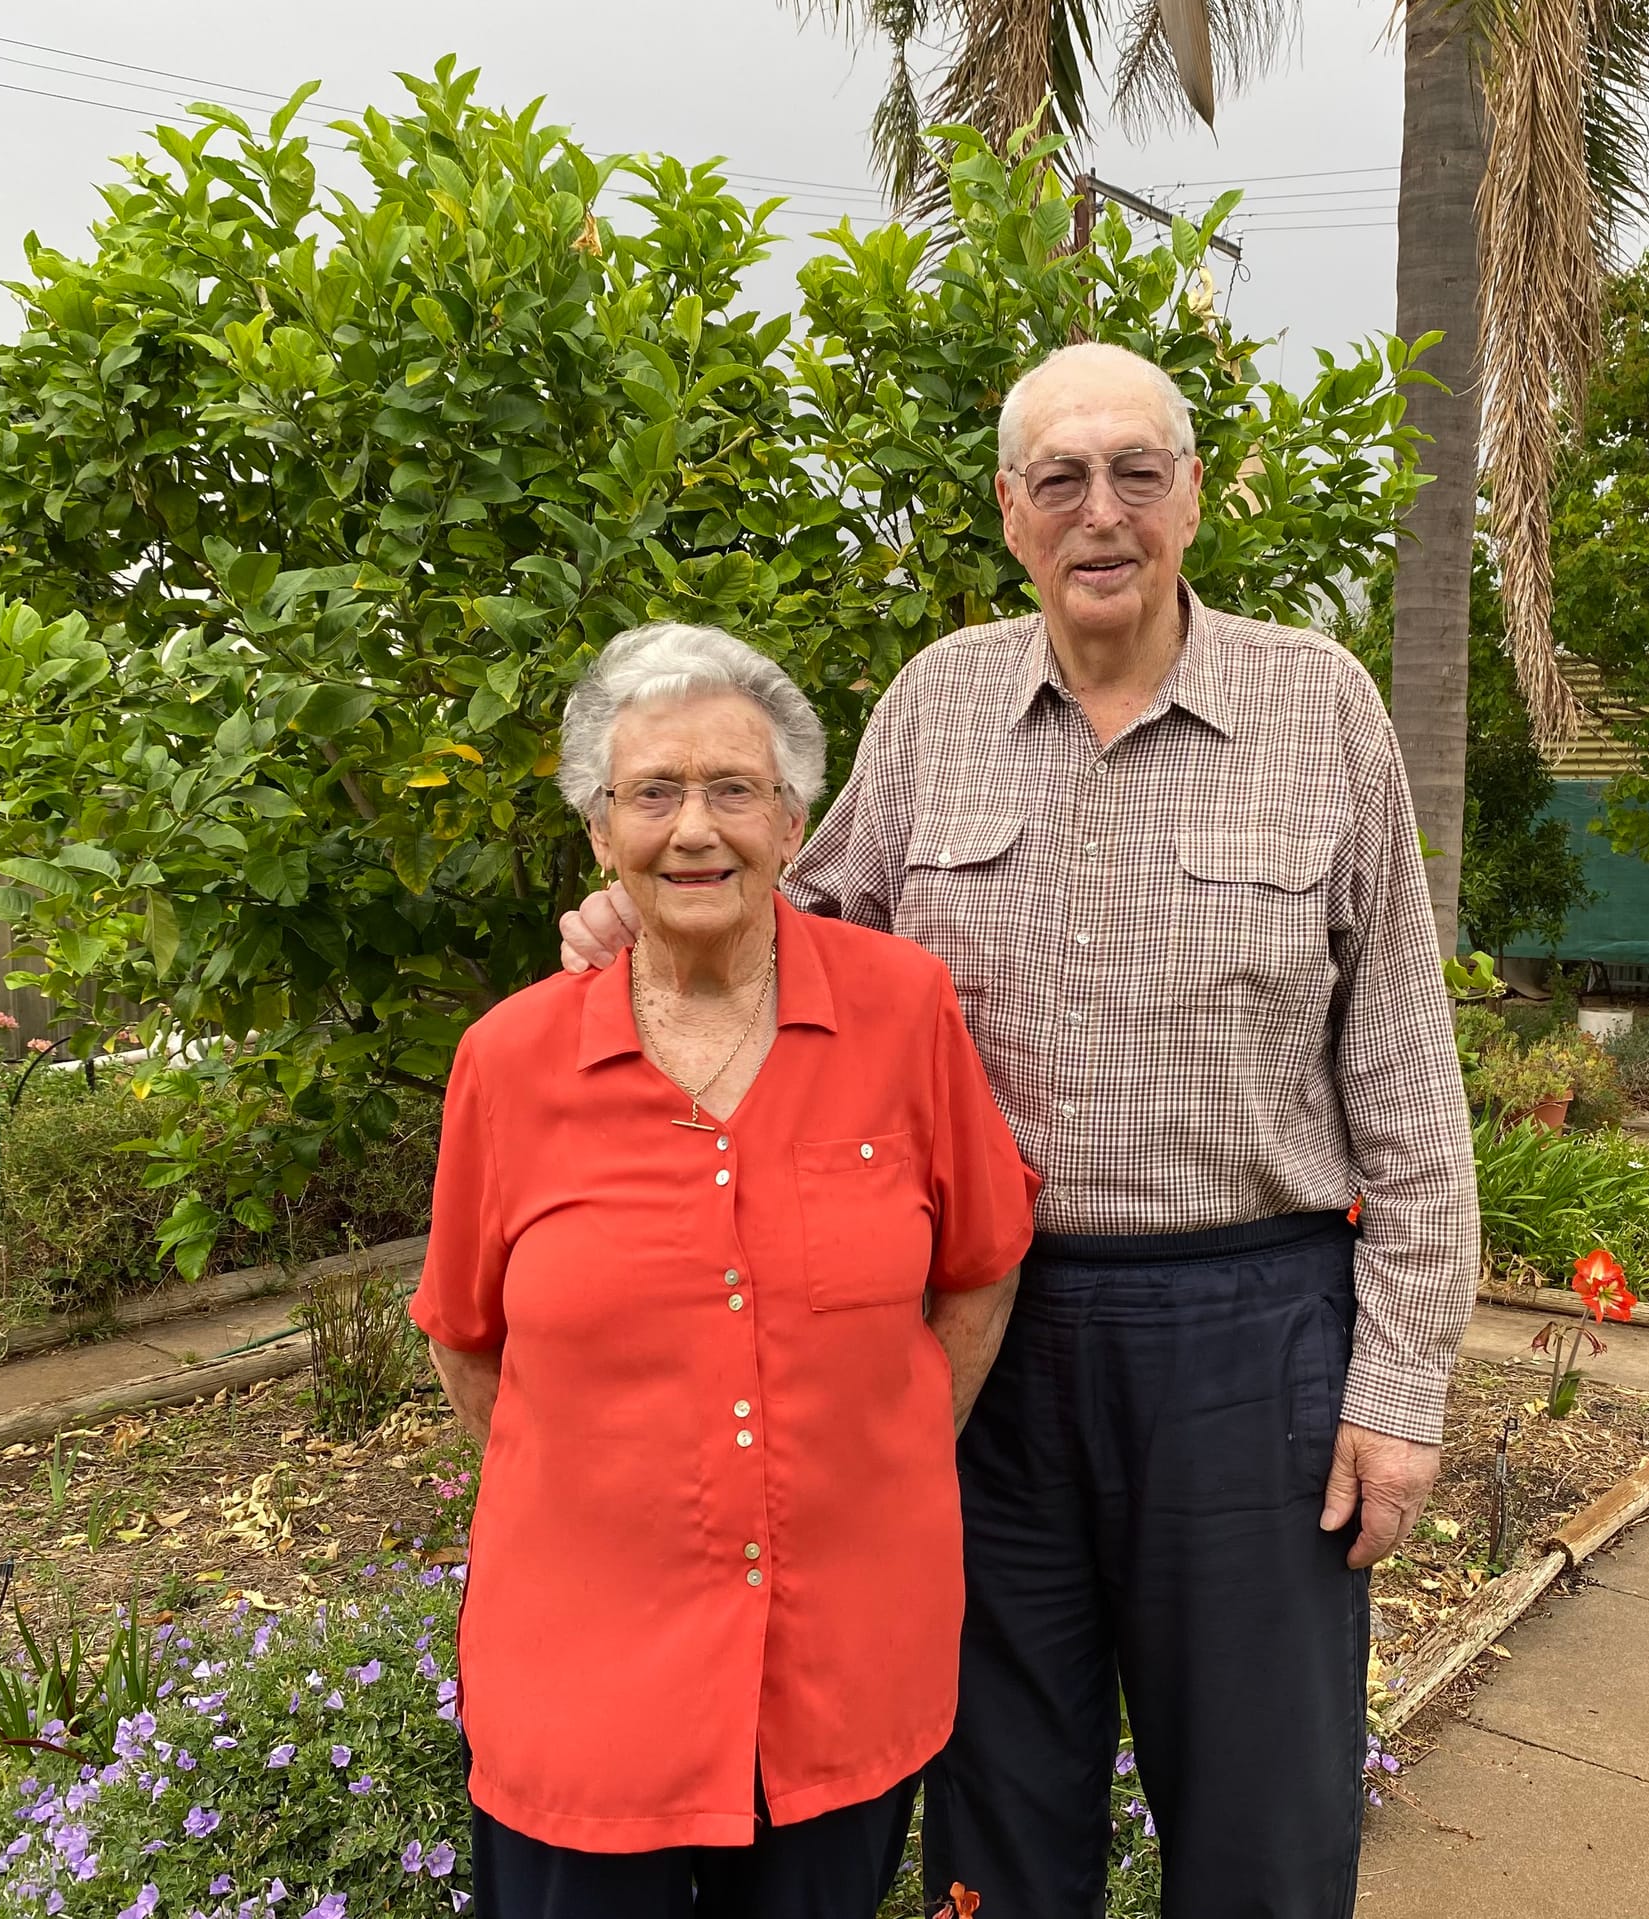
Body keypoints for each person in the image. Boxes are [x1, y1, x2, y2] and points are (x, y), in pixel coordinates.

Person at [560, 343, 1480, 1919]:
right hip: (980, 1339)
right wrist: (638, 918)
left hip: (1248, 1336)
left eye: (1137, 470)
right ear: (1010, 509)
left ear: (1193, 496)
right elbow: (800, 933)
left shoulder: (1317, 705)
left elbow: (1404, 1072)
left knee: (1267, 1813)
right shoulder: (940, 703)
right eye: (1061, 476)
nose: (1100, 510)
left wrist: (1399, 1389)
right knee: (996, 1804)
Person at [414, 622, 1037, 1919]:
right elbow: (467, 1336)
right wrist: (602, 1477)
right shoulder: (509, 1060)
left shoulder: (903, 1010)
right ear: (601, 833)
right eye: (654, 792)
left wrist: (896, 1439)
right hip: (584, 1682)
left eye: (733, 789)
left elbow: (979, 1263)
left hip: (840, 1663)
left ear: (794, 822)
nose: (695, 828)